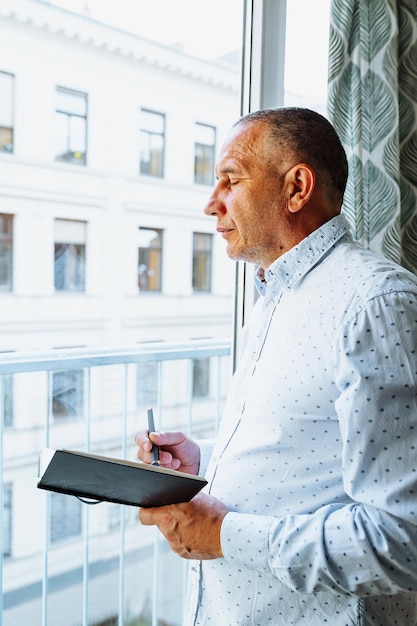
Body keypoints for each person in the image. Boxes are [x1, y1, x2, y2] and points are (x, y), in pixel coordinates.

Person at [135, 107, 417, 625]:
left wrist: (222, 535)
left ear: (297, 188)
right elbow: (308, 450)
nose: (210, 203)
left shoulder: (375, 305)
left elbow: (400, 539)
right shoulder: (273, 297)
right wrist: (204, 462)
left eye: (230, 179)